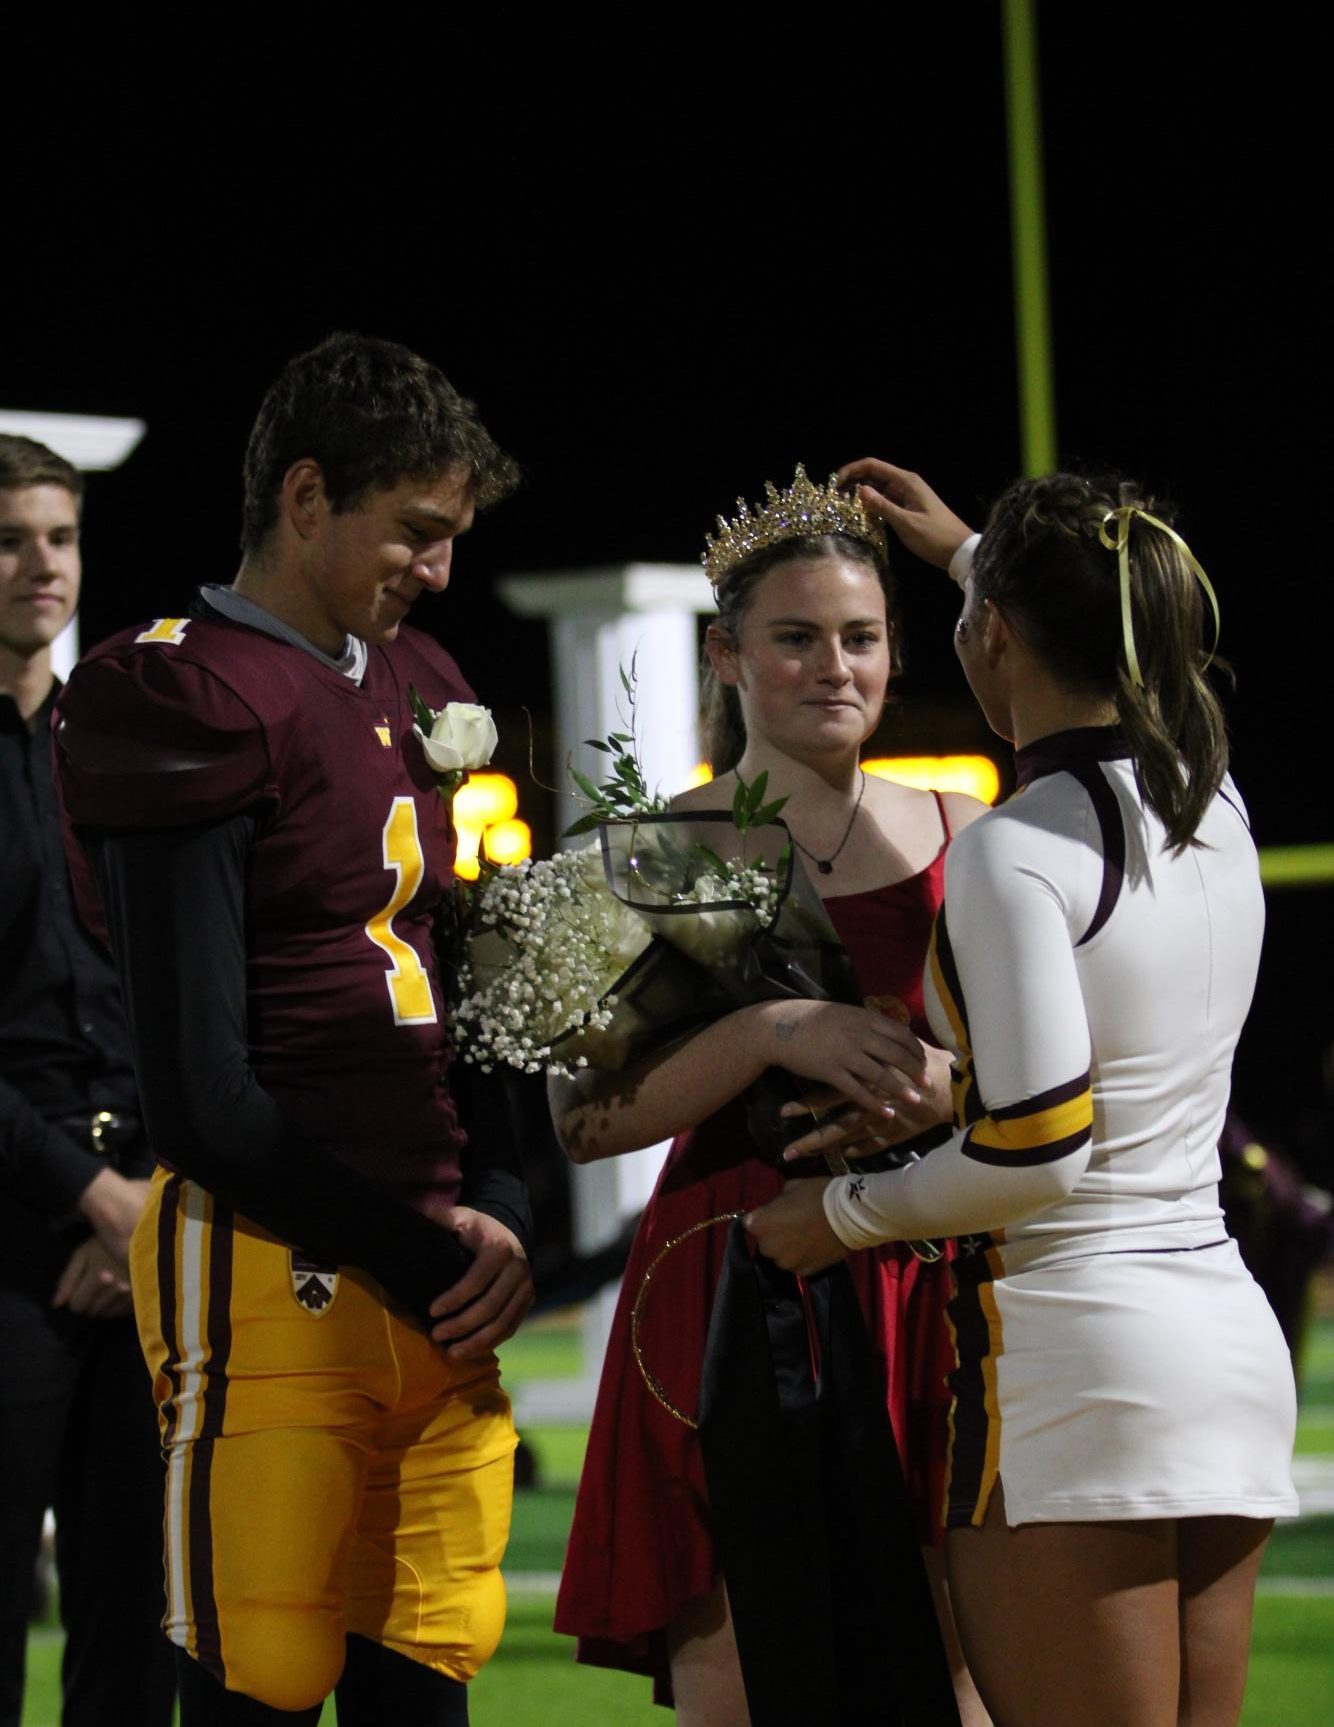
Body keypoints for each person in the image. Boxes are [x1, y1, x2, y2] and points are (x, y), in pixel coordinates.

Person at [748, 459, 1299, 1727]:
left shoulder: (1013, 845)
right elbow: (1103, 641)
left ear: (994, 631)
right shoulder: (1211, 801)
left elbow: (1039, 1145)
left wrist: (829, 1219)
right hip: (1220, 1338)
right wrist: (973, 557)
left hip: (1074, 1350)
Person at [54, 334, 535, 1725]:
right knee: (262, 1673)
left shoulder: (420, 672)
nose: (438, 569)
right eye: (417, 532)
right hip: (278, 1266)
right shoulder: (184, 690)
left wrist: (496, 1191)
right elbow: (199, 1091)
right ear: (308, 496)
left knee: (426, 1669)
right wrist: (425, 1250)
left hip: (436, 1263)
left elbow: (472, 974)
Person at [550, 468, 990, 1725]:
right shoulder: (640, 849)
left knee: (956, 1654)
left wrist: (950, 1086)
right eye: (793, 637)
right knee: (740, 1663)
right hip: (726, 1281)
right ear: (725, 655)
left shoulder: (973, 828)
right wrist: (770, 1027)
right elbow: (581, 1123)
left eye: (858, 637)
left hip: (931, 1265)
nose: (832, 666)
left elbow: (1039, 1068)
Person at [0, 434, 176, 1727]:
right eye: (9, 538)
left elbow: (192, 992)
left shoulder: (129, 740)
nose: (40, 564)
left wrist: (147, 1198)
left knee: (136, 1625)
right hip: (11, 1239)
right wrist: (87, 1194)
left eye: (58, 536)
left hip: (154, 1229)